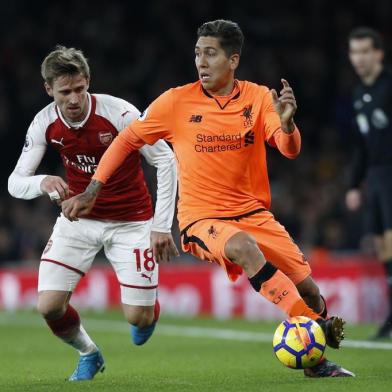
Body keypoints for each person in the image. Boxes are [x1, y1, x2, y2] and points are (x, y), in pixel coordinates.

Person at [62, 20, 354, 377]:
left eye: (210, 53)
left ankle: (315, 360)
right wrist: (94, 187)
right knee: (245, 249)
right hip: (202, 219)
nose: (201, 61)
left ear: (233, 60)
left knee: (308, 290)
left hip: (254, 214)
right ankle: (314, 327)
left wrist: (289, 126)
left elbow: (288, 149)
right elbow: (126, 140)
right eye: (198, 53)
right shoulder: (175, 101)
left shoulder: (259, 97)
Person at [8, 46, 178, 381]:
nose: (73, 99)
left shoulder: (120, 114)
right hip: (79, 222)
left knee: (138, 319)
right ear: (49, 89)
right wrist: (43, 182)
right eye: (64, 92)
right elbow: (15, 182)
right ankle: (89, 354)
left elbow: (165, 159)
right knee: (48, 306)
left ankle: (149, 312)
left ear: (88, 82)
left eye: (79, 89)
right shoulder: (44, 122)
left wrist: (161, 225)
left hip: (131, 223)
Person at [346, 27, 392, 339]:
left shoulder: (390, 86)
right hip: (375, 177)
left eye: (365, 51)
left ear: (378, 54)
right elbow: (361, 146)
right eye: (354, 52)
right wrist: (354, 184)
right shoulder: (359, 95)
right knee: (381, 247)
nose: (359, 58)